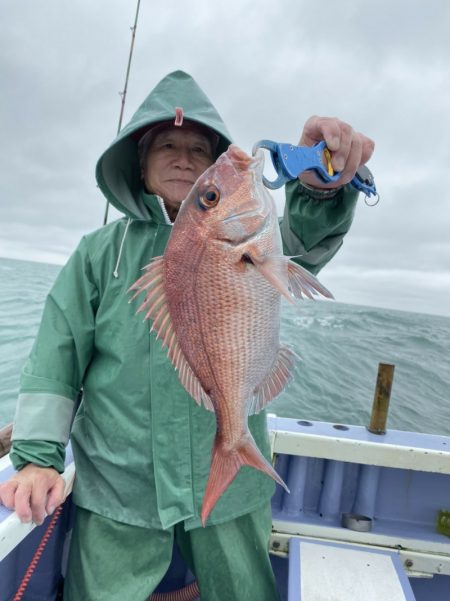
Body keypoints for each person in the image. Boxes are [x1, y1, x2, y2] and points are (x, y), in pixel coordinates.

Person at [0, 70, 374, 600]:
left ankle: (233, 447)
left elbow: (303, 242)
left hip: (231, 490)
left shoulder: (253, 233)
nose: (182, 157)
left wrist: (320, 188)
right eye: (167, 145)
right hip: (119, 483)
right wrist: (38, 456)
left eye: (199, 148)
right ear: (139, 162)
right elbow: (54, 360)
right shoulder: (98, 254)